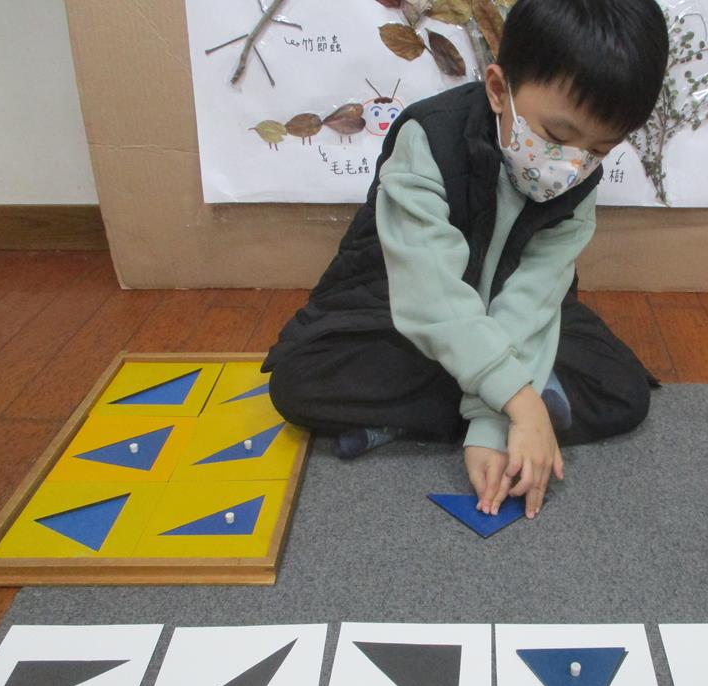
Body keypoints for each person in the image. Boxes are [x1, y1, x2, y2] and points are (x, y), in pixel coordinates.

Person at [263, 0, 669, 520]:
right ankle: (527, 408)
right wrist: (520, 401)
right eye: (558, 137)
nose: (572, 166)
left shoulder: (578, 179)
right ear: (498, 89)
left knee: (623, 389)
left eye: (600, 150)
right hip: (402, 310)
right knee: (298, 381)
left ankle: (417, 418)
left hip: (510, 317)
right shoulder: (427, 138)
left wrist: (490, 424)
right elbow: (428, 294)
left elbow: (534, 296)